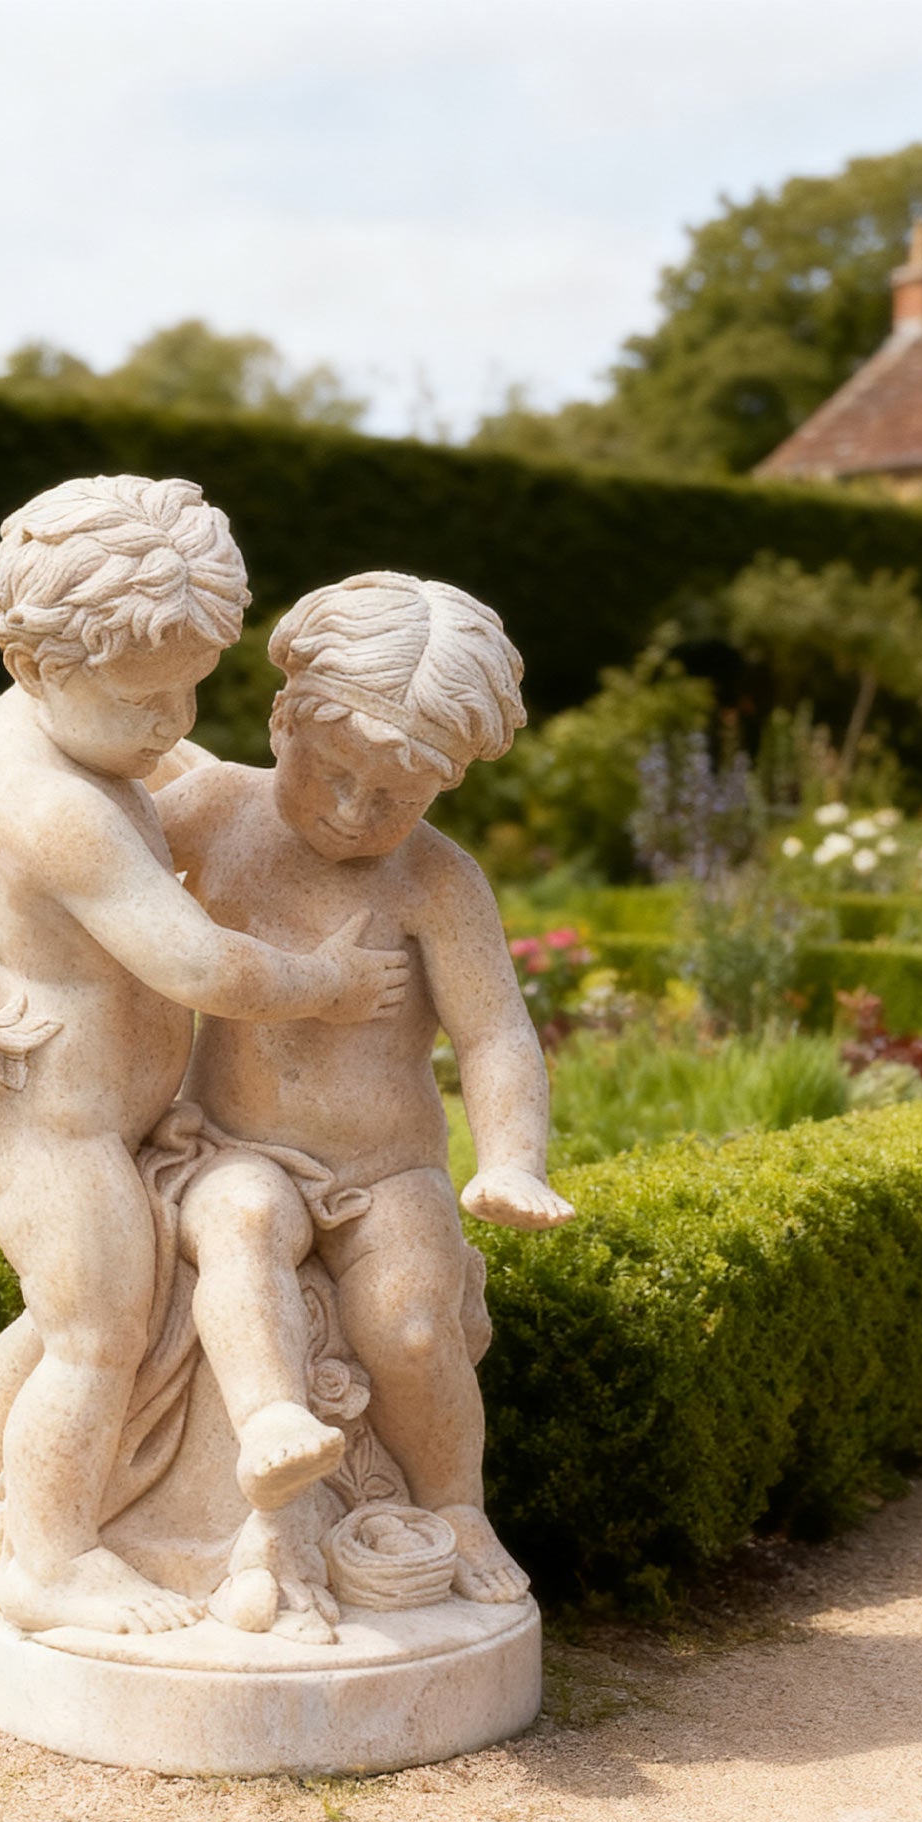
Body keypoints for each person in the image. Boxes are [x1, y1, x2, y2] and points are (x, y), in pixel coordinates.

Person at [0, 477, 408, 1638]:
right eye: (143, 695)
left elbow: (161, 771)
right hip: (50, 1124)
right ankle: (51, 1558)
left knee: (59, 1310)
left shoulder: (48, 730)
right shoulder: (56, 803)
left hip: (80, 1112)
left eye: (191, 683)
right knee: (96, 1330)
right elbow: (199, 965)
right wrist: (322, 982)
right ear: (35, 666)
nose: (172, 717)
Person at [159, 571, 574, 1604]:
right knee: (241, 1222)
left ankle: (455, 1504)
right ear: (280, 722)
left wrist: (511, 1157)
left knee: (413, 1323)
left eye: (393, 797)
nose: (353, 812)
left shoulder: (434, 879)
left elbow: (494, 1036)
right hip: (229, 1143)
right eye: (331, 773)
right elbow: (89, 874)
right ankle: (270, 1432)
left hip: (387, 1169)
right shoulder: (212, 810)